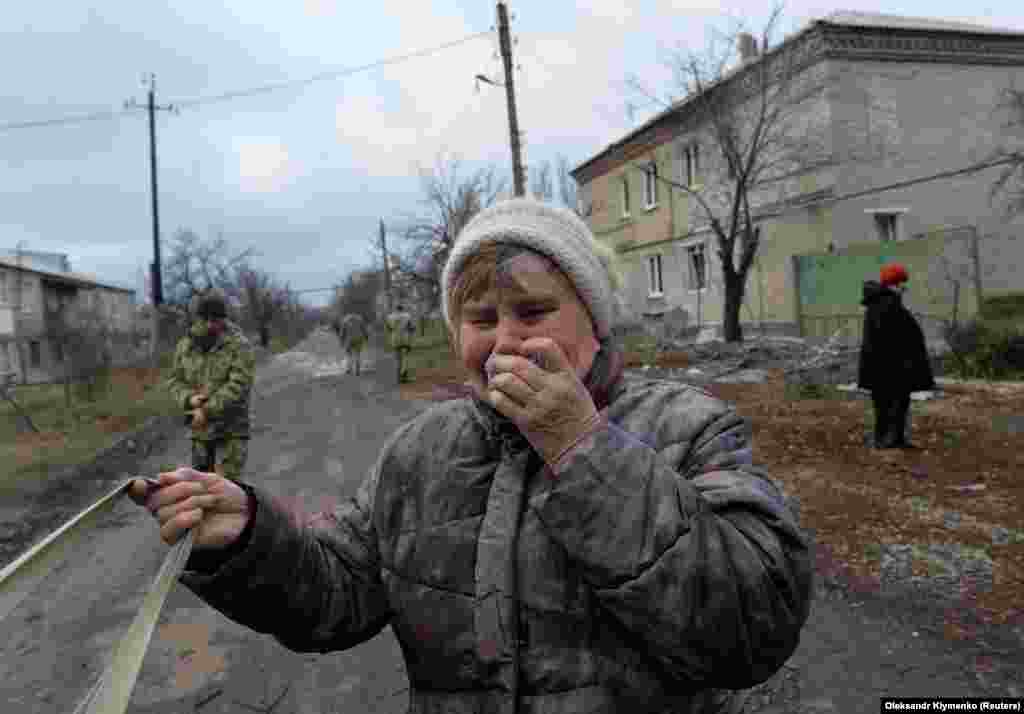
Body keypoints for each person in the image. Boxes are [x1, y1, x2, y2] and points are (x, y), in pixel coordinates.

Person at [131, 198, 812, 714]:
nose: (506, 339)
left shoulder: (690, 429)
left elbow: (753, 631)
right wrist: (246, 539)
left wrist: (581, 448)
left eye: (533, 312)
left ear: (595, 322)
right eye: (482, 320)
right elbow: (335, 596)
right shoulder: (423, 450)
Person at [165, 289, 256, 481]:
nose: (210, 324)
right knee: (200, 491)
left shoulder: (239, 345)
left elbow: (238, 386)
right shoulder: (186, 346)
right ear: (198, 319)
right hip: (200, 434)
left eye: (216, 320)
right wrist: (189, 398)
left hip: (231, 432)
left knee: (227, 492)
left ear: (224, 319)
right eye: (205, 319)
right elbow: (174, 380)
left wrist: (206, 410)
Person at [857, 263, 936, 449]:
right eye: (902, 283)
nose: (904, 287)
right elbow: (891, 340)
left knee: (891, 403)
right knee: (892, 403)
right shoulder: (886, 305)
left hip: (886, 367)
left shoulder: (882, 304)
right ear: (893, 284)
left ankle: (892, 439)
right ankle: (888, 440)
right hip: (891, 368)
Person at [385, 304, 416, 384]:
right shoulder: (407, 316)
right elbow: (412, 327)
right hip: (405, 338)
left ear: (396, 309)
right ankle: (404, 377)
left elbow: (388, 328)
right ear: (402, 309)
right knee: (405, 358)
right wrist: (411, 330)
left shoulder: (390, 317)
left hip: (395, 339)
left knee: (398, 359)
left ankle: (398, 377)